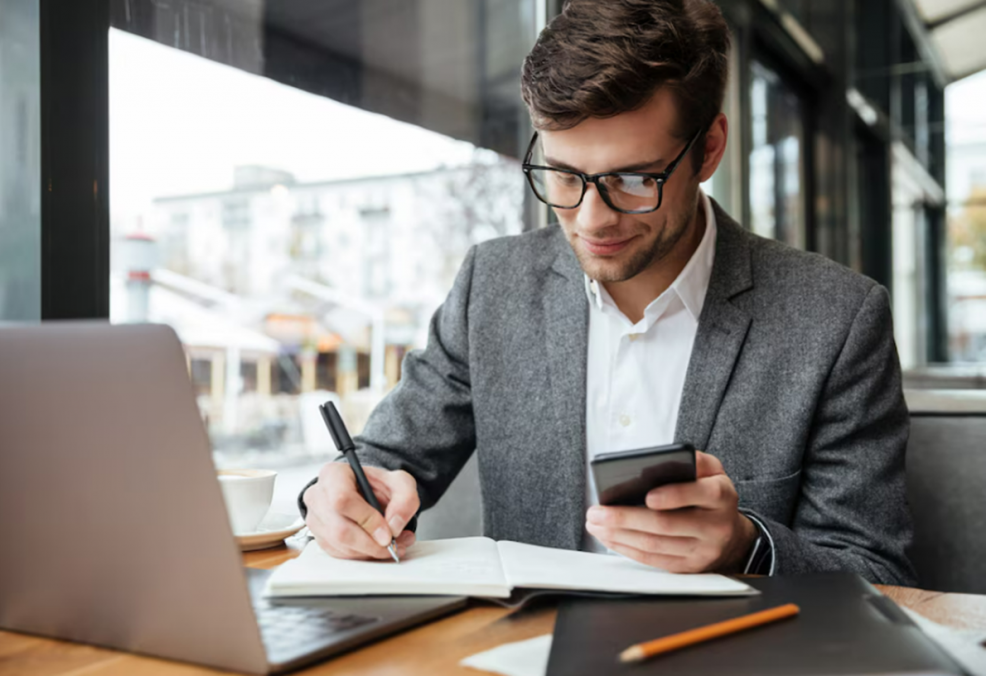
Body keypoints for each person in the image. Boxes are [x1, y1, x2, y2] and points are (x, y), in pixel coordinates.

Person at [297, 0, 916, 584]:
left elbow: (877, 572)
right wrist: (336, 499)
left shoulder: (836, 320)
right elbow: (378, 462)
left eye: (632, 178)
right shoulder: (492, 286)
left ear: (709, 149)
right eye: (564, 176)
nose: (592, 219)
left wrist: (745, 546)